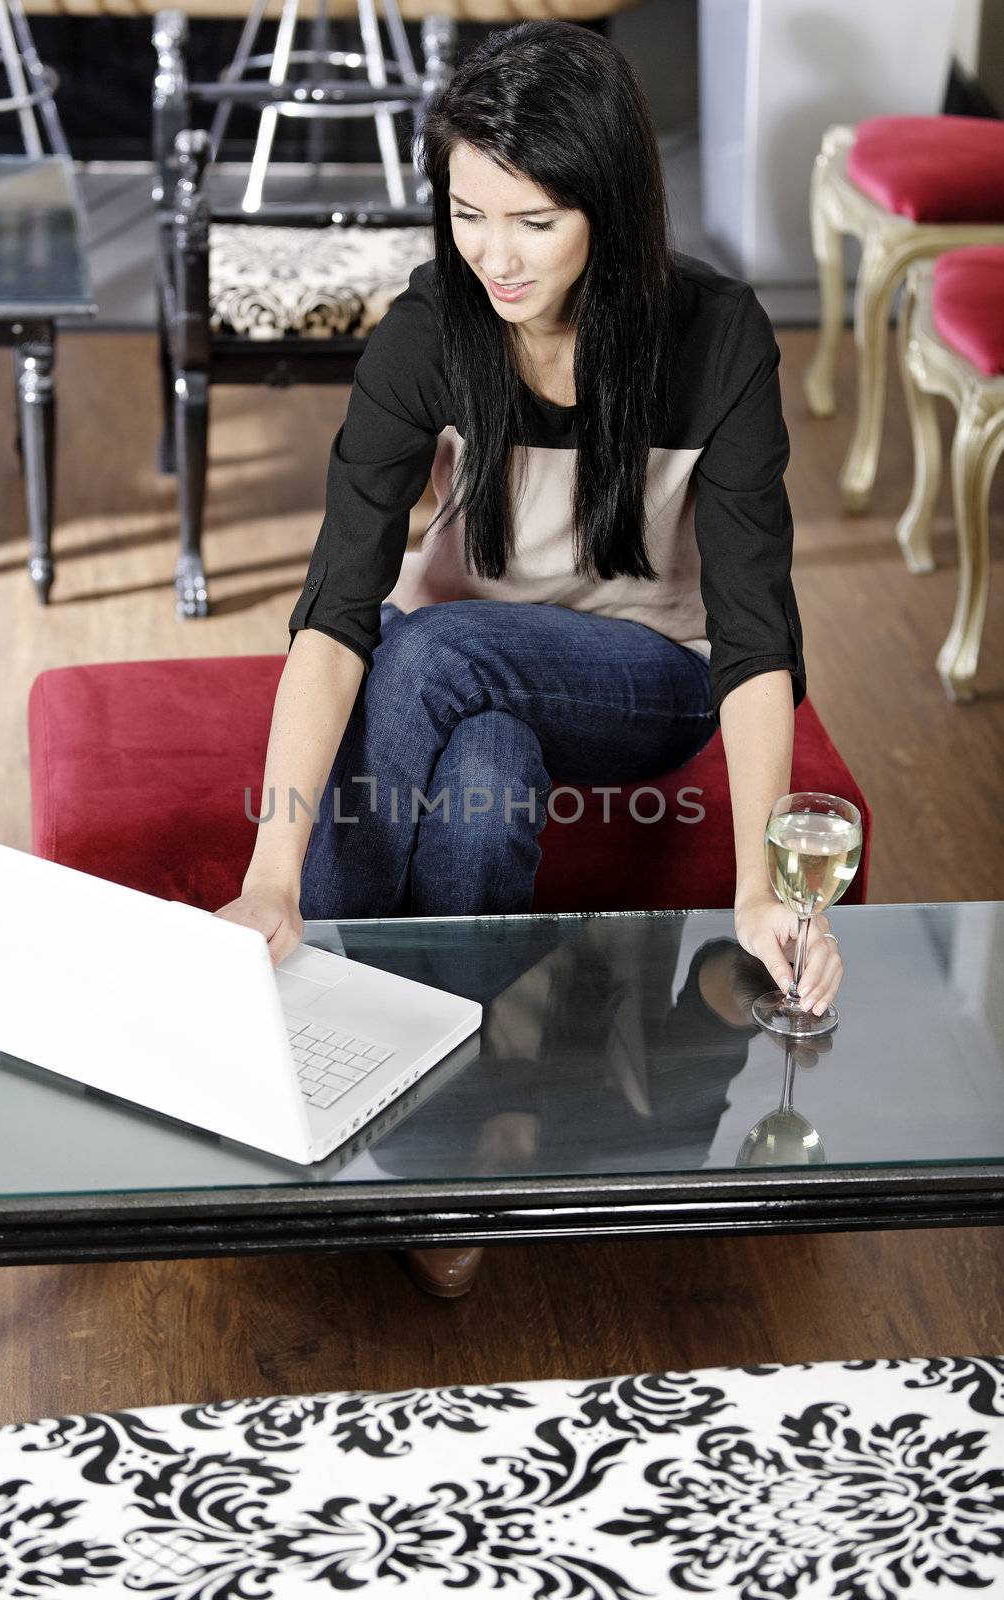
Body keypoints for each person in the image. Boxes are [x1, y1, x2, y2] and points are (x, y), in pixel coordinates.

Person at [216, 20, 844, 1294]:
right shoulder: (428, 334)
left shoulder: (715, 337)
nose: (492, 255)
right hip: (454, 683)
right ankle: (461, 1149)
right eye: (466, 212)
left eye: (535, 221)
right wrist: (265, 876)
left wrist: (761, 883)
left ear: (607, 204)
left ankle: (342, 1050)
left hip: (645, 678)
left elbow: (758, 639)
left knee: (438, 649)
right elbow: (335, 610)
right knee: (489, 765)